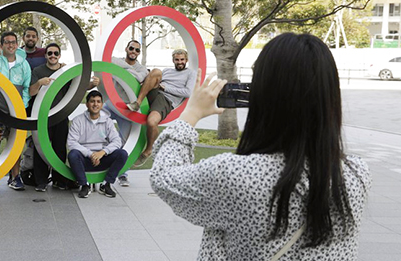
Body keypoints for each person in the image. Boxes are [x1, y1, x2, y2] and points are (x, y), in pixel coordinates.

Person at [150, 33, 370, 259]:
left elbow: (164, 177)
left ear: (265, 93)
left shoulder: (236, 175)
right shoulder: (356, 174)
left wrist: (192, 114)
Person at [29, 43, 99, 192]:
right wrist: (40, 83)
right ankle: (40, 181)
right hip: (42, 116)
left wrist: (92, 84)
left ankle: (58, 180)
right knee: (40, 147)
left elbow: (79, 86)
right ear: (45, 55)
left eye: (55, 53)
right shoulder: (38, 71)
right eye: (50, 53)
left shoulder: (65, 71)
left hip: (60, 115)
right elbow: (31, 92)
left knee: (59, 147)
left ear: (59, 55)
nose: (52, 56)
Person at [127, 49, 196, 167]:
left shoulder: (190, 73)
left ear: (186, 60)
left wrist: (165, 88)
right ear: (173, 60)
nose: (179, 62)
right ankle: (137, 102)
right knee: (156, 71)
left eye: (182, 60)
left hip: (166, 99)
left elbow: (188, 92)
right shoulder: (167, 71)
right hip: (155, 92)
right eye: (177, 60)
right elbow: (155, 80)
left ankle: (148, 150)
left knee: (152, 121)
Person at [0, 31, 31, 191]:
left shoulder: (23, 64)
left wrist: (21, 107)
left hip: (16, 113)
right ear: (1, 45)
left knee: (14, 146)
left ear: (17, 45)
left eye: (13, 42)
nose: (11, 45)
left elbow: (26, 88)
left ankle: (15, 177)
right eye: (7, 42)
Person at [103, 40, 148, 187]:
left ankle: (123, 173)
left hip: (127, 109)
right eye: (131, 48)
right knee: (96, 124)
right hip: (112, 104)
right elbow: (109, 60)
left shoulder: (142, 68)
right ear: (126, 48)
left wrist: (124, 70)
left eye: (137, 50)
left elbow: (140, 77)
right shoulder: (117, 60)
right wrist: (128, 70)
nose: (134, 51)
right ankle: (98, 164)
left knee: (125, 140)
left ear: (139, 53)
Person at [67, 90, 127, 199]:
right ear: (87, 104)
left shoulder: (107, 121)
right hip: (85, 159)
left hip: (103, 158)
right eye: (92, 101)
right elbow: (71, 142)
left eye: (98, 101)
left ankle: (106, 184)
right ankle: (84, 185)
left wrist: (102, 152)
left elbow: (117, 141)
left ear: (101, 104)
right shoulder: (78, 121)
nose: (95, 104)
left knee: (122, 153)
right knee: (73, 154)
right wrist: (91, 154)